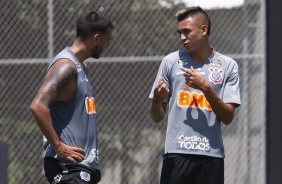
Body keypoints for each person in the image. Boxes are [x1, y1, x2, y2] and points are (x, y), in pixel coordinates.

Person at [149, 6, 241, 184]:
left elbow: (228, 117)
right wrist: (156, 102)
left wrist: (205, 88)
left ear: (203, 30)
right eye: (179, 32)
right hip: (176, 153)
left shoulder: (228, 65)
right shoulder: (170, 62)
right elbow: (156, 117)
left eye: (187, 31)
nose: (182, 37)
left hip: (210, 154)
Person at [30, 11, 113, 184]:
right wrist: (59, 147)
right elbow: (38, 106)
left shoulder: (81, 66)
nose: (108, 44)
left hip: (81, 167)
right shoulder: (65, 67)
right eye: (107, 39)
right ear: (96, 38)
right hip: (68, 167)